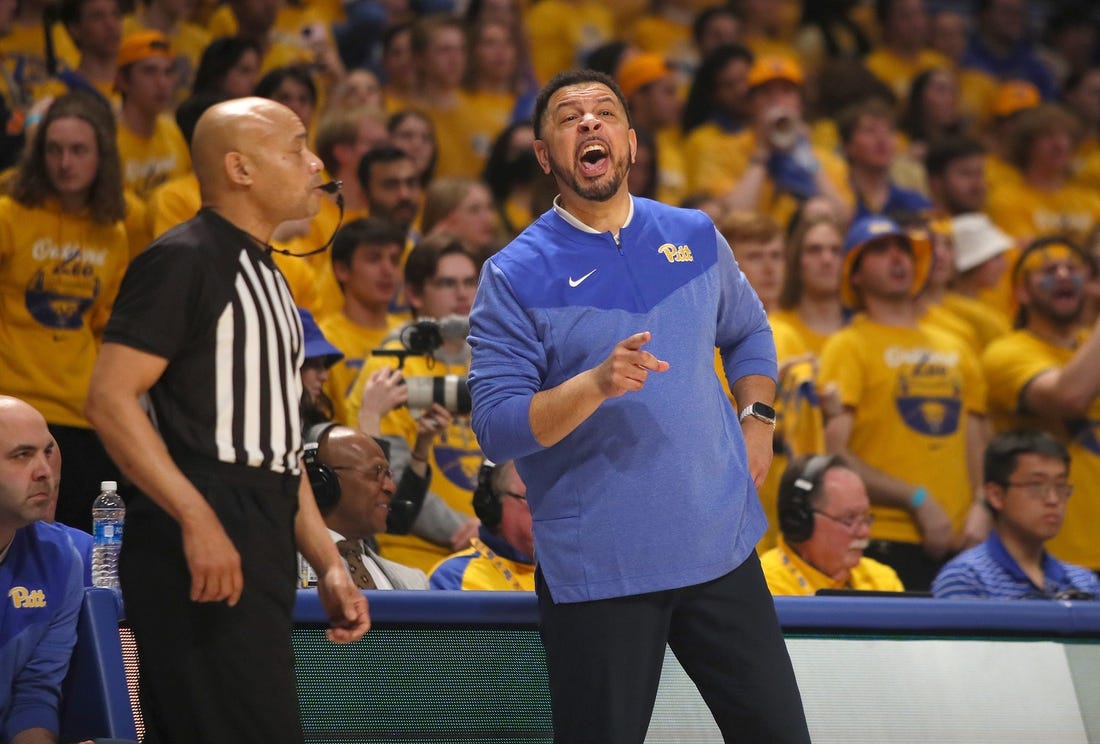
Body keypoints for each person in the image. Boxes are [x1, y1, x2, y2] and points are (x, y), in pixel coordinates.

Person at [468, 69, 809, 744]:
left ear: (630, 141)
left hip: (721, 549)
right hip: (602, 569)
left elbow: (748, 333)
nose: (589, 123)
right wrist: (593, 385)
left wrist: (759, 422)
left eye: (604, 113)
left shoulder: (695, 233)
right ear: (544, 156)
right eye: (568, 117)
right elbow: (498, 426)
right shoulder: (512, 272)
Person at [83, 96, 370, 743]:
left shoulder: (270, 276)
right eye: (296, 146)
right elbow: (108, 399)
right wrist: (197, 516)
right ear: (240, 168)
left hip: (258, 527)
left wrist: (326, 559)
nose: (316, 162)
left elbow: (276, 446)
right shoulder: (185, 258)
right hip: (203, 523)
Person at [818, 215, 990, 591]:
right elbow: (837, 455)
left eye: (904, 250)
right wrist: (917, 499)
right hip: (885, 535)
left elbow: (976, 437)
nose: (897, 258)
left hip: (965, 540)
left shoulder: (957, 344)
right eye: (879, 250)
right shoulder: (848, 345)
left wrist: (982, 505)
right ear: (855, 274)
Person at [0, 89, 129, 533]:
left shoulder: (112, 234)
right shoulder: (9, 215)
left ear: (101, 158)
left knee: (77, 549)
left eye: (78, 150)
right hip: (12, 404)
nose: (65, 163)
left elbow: (102, 328)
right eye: (54, 150)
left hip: (79, 415)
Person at [981, 237, 1100, 573]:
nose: (1063, 275)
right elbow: (1069, 396)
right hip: (1054, 557)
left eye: (1073, 269)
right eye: (1049, 270)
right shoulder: (1006, 353)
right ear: (1020, 291)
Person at [0, 395, 84, 744]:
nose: (44, 471)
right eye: (22, 455)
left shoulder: (60, 557)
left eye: (47, 452)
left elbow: (33, 694)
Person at [933, 430, 1100, 599]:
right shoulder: (966, 578)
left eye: (1060, 486)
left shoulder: (1084, 583)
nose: (1053, 499)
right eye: (1036, 485)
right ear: (996, 495)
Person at [761, 454, 904, 595]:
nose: (865, 532)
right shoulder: (764, 586)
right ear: (799, 521)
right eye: (849, 519)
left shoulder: (883, 581)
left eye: (865, 518)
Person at [307, 425, 430, 590]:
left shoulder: (414, 582)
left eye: (389, 474)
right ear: (322, 482)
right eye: (377, 472)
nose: (391, 487)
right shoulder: (279, 569)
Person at [429, 459, 534, 590]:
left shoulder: (563, 572)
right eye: (533, 498)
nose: (550, 510)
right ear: (493, 507)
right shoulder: (454, 578)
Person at [114, 31, 191, 198]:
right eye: (149, 71)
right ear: (122, 80)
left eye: (168, 72)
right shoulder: (108, 139)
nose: (162, 83)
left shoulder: (173, 131)